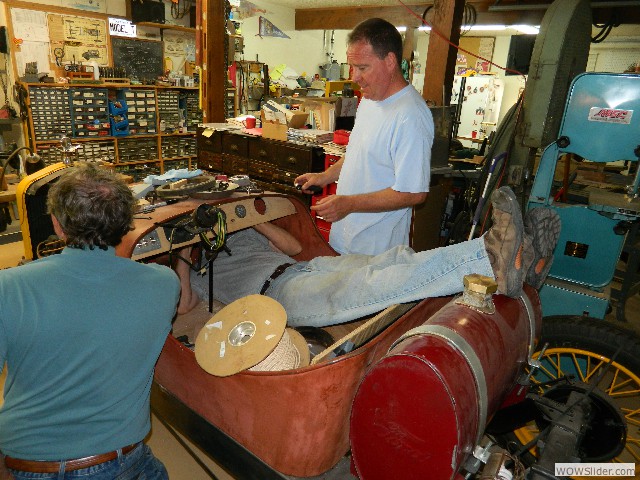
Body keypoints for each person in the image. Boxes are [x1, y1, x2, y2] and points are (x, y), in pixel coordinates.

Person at [0, 164, 180, 480]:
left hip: (30, 462)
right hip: (123, 458)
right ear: (126, 224)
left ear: (57, 225)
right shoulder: (165, 284)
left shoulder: (7, 287)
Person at [176, 187, 560, 328]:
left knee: (396, 258)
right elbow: (186, 305)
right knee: (371, 285)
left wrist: (246, 219)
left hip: (306, 267)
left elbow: (293, 249)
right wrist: (182, 251)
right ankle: (491, 259)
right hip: (275, 297)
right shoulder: (196, 271)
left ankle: (514, 265)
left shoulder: (243, 236)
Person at [295, 18, 434, 256]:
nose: (354, 77)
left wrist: (349, 203)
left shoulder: (410, 116)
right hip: (346, 237)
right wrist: (325, 176)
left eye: (362, 68)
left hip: (376, 251)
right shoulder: (369, 100)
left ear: (390, 61)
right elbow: (358, 152)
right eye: (352, 67)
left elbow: (414, 192)